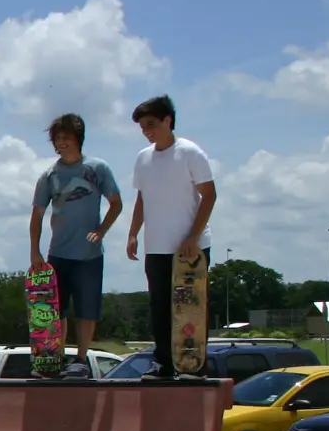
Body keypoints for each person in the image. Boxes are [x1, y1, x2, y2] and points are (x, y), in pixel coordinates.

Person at [126, 94, 216, 377]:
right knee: (160, 307)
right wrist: (132, 233)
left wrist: (192, 237)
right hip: (157, 246)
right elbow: (142, 198)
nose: (147, 132)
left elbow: (209, 195)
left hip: (190, 247)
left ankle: (195, 365)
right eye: (143, 127)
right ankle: (164, 362)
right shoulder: (144, 159)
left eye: (152, 124)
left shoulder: (189, 152)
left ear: (168, 120)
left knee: (190, 307)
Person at [30, 113, 124, 378]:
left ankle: (81, 359)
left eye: (66, 138)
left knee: (87, 309)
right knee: (54, 310)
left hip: (89, 254)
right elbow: (37, 213)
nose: (61, 143)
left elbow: (116, 203)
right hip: (57, 252)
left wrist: (102, 230)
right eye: (57, 139)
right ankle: (52, 358)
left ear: (78, 139)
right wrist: (34, 250)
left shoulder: (97, 168)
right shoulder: (49, 175)